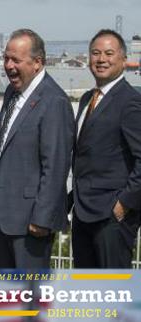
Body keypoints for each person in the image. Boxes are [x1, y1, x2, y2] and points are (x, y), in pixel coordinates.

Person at [0, 29, 73, 268]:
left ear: (37, 63)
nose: (8, 66)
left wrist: (42, 218)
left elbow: (55, 166)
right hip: (4, 215)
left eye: (16, 60)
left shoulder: (53, 101)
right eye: (6, 58)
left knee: (30, 297)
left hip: (31, 221)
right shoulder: (12, 93)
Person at [70, 29, 141, 268]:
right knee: (87, 291)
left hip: (112, 216)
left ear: (123, 59)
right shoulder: (87, 98)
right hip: (83, 211)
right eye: (95, 53)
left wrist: (123, 204)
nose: (101, 59)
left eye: (109, 53)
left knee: (112, 292)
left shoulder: (130, 101)